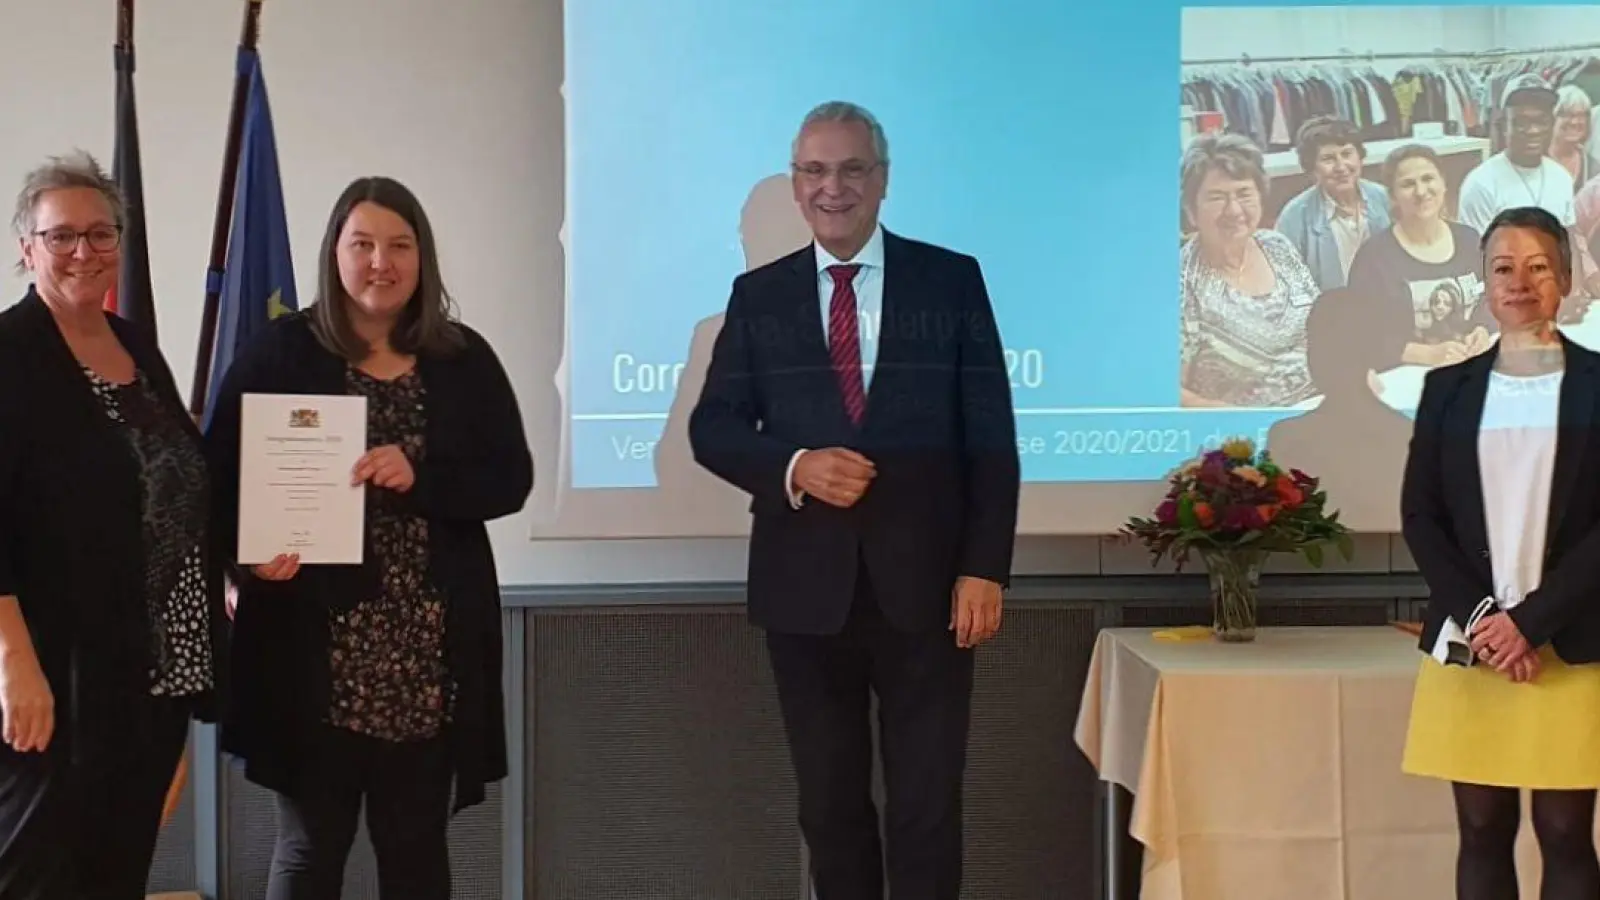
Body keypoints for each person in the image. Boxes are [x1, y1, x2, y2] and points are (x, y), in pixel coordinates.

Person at [688, 100, 1020, 900]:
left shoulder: (952, 279)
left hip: (931, 593)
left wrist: (985, 568)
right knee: (830, 810)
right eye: (814, 170)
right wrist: (795, 466)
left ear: (882, 180)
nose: (832, 186)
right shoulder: (758, 297)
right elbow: (714, 428)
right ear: (796, 184)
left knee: (926, 810)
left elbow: (991, 438)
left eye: (850, 169)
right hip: (805, 598)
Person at [205, 176, 534, 900]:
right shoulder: (280, 353)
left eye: (399, 245)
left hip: (427, 660)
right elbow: (217, 480)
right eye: (362, 245)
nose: (380, 262)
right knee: (310, 850)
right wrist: (246, 559)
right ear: (334, 253)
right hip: (310, 654)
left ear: (423, 259)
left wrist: (422, 475)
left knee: (415, 853)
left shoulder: (462, 358)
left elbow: (510, 481)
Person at [0, 150, 227, 897]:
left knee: (118, 870)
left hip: (152, 673)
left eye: (101, 235)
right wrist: (13, 664)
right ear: (26, 247)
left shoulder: (135, 347)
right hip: (54, 677)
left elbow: (176, 489)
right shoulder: (10, 354)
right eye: (61, 235)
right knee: (39, 873)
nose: (83, 252)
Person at [1400, 205, 1600, 900]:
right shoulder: (1447, 390)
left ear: (1566, 279)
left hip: (1571, 644)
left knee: (1567, 832)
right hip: (1472, 645)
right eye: (1502, 267)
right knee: (1482, 830)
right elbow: (1421, 516)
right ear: (1484, 281)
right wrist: (1489, 619)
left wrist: (1530, 622)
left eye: (1537, 266)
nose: (1519, 281)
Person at [1178, 132, 1322, 407]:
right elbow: (1168, 393)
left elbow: (1321, 328)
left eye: (1244, 194)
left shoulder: (1277, 245)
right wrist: (1236, 420)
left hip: (1317, 413)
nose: (1234, 210)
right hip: (1244, 437)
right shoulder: (1179, 283)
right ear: (1191, 209)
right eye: (1217, 197)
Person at [1346, 144, 1490, 368]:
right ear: (1393, 197)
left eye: (1428, 179)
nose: (1421, 191)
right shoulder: (1374, 258)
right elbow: (1362, 336)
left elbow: (1493, 299)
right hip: (1409, 378)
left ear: (1443, 184)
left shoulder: (1470, 240)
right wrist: (1427, 354)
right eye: (1408, 184)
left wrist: (1483, 329)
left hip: (1473, 366)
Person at [1273, 116, 1392, 291]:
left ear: (1360, 157)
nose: (1341, 166)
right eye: (1328, 159)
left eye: (1346, 154)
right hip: (1330, 313)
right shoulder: (1294, 216)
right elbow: (1287, 284)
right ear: (1312, 167)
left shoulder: (1386, 198)